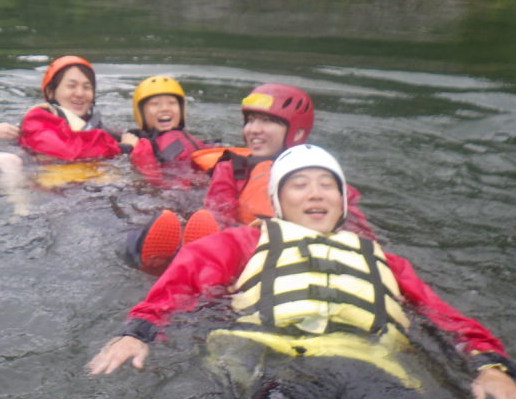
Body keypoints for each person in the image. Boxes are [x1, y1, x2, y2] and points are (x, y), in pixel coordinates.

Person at [88, 145, 516, 399]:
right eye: (300, 185)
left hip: (375, 370)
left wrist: (491, 368)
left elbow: (448, 320)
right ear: (279, 201)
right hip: (281, 364)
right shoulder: (246, 241)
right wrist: (138, 332)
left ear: (342, 201)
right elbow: (184, 278)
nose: (316, 193)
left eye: (327, 185)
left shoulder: (385, 260)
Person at [129, 83, 375, 274]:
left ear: (298, 131)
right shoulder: (232, 169)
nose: (253, 129)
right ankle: (160, 259)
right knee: (141, 237)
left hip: (300, 258)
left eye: (267, 121)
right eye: (250, 121)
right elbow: (218, 213)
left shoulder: (327, 181)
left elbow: (362, 237)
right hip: (245, 250)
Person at [18, 55, 122, 161]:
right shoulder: (36, 120)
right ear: (50, 92)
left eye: (87, 87)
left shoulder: (100, 129)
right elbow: (66, 151)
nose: (80, 94)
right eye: (71, 86)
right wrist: (122, 149)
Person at [119, 75, 208, 190]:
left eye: (172, 103)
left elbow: (156, 182)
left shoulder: (180, 145)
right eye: (154, 104)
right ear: (141, 112)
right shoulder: (186, 141)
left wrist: (132, 150)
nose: (165, 108)